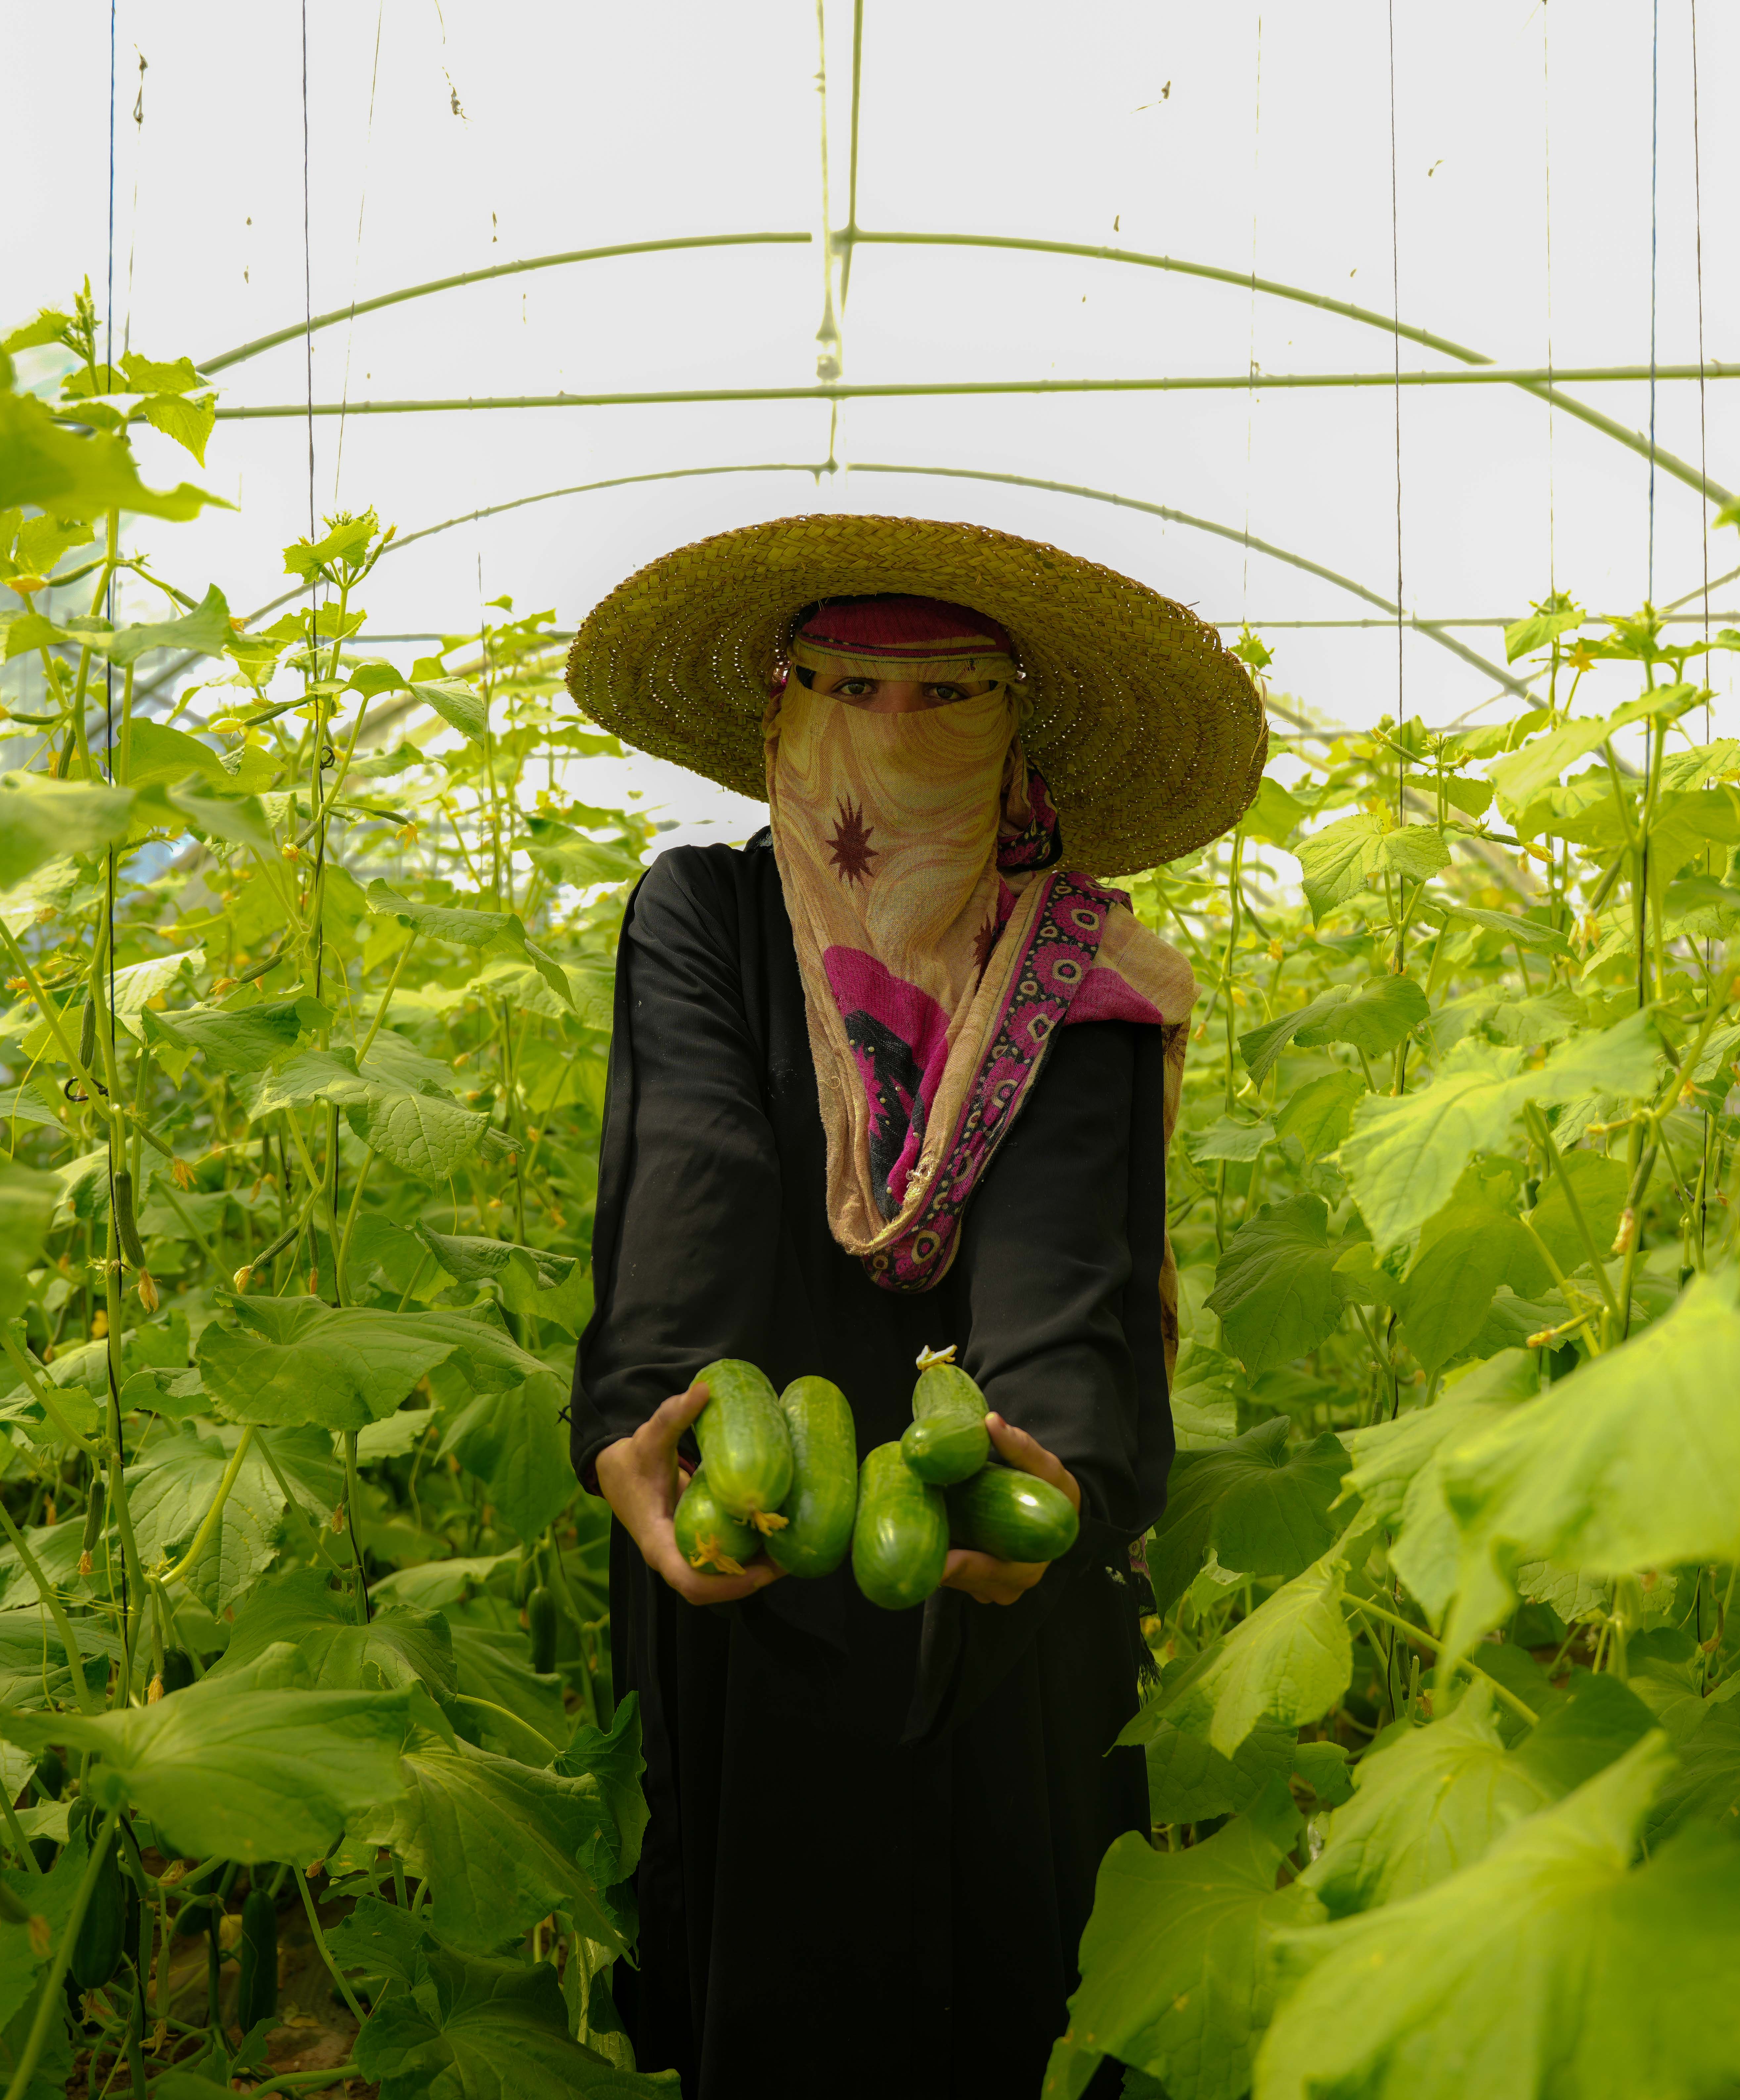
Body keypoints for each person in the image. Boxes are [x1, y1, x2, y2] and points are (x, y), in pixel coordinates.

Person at [563, 513, 1267, 2100]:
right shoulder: (703, 919)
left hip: (996, 1567)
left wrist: (1054, 1473)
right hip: (749, 1541)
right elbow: (698, 1166)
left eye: (946, 694)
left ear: (1014, 726)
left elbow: (1066, 1251)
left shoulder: (1081, 970)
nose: (888, 735)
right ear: (776, 715)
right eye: (842, 686)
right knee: (766, 1982)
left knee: (1015, 1987)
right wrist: (656, 1414)